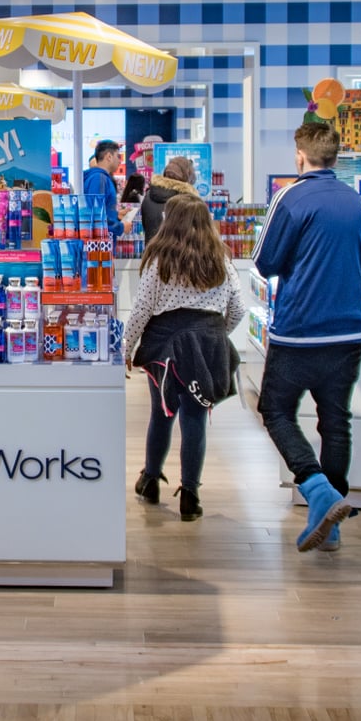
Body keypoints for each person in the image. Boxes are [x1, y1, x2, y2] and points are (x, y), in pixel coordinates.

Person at [253, 121, 361, 552]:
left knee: (275, 409)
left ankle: (318, 491)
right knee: (335, 421)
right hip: (350, 329)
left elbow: (265, 262)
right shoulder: (355, 202)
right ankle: (331, 526)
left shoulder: (290, 197)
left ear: (299, 155)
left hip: (300, 330)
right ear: (335, 157)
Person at [123, 194, 245, 521]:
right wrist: (216, 336)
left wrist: (125, 348)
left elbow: (141, 311)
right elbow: (238, 309)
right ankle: (190, 494)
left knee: (161, 415)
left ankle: (150, 479)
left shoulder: (160, 260)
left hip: (163, 346)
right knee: (195, 420)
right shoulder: (221, 260)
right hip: (207, 345)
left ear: (171, 222)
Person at [138, 155, 196, 243]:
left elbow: (145, 225)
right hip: (177, 254)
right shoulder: (186, 199)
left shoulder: (149, 195)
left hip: (151, 252)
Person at [82, 139, 124, 238]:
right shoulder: (99, 179)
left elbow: (100, 209)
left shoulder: (101, 178)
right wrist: (120, 227)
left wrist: (116, 215)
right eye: (118, 156)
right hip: (100, 246)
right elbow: (96, 214)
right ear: (109, 157)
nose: (120, 161)